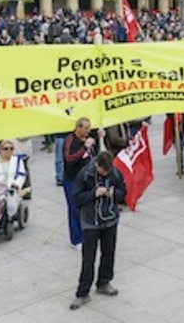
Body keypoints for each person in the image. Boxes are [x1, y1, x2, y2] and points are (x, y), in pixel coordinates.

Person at [69, 150, 126, 310]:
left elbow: (123, 193)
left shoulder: (115, 173)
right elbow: (77, 198)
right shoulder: (84, 175)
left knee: (108, 252)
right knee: (88, 258)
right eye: (103, 171)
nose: (106, 173)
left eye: (108, 171)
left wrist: (114, 194)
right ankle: (82, 292)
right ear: (96, 164)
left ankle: (104, 282)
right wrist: (93, 194)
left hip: (110, 220)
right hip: (90, 222)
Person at [63, 118, 98, 247]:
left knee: (88, 208)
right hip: (72, 180)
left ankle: (88, 235)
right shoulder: (70, 140)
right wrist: (85, 147)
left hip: (86, 180)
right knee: (74, 209)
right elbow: (69, 158)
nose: (88, 131)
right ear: (78, 128)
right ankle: (76, 239)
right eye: (86, 128)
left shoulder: (86, 139)